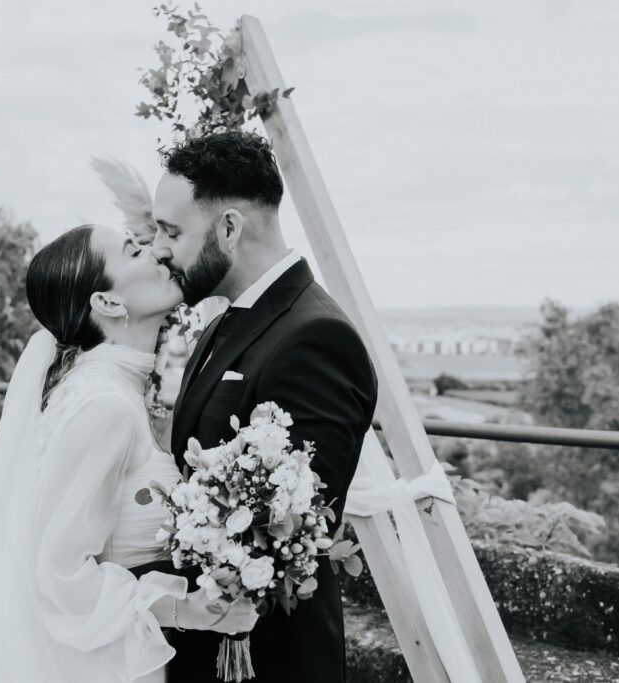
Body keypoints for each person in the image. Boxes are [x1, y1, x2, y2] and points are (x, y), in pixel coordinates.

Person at [0, 225, 257, 683]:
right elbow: (57, 573)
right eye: (134, 251)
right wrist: (184, 608)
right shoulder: (105, 405)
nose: (157, 252)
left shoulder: (104, 386)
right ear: (108, 303)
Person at [150, 131, 379, 683]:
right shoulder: (225, 321)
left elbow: (294, 526)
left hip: (268, 659)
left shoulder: (316, 338)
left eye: (172, 232)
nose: (159, 248)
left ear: (229, 228)